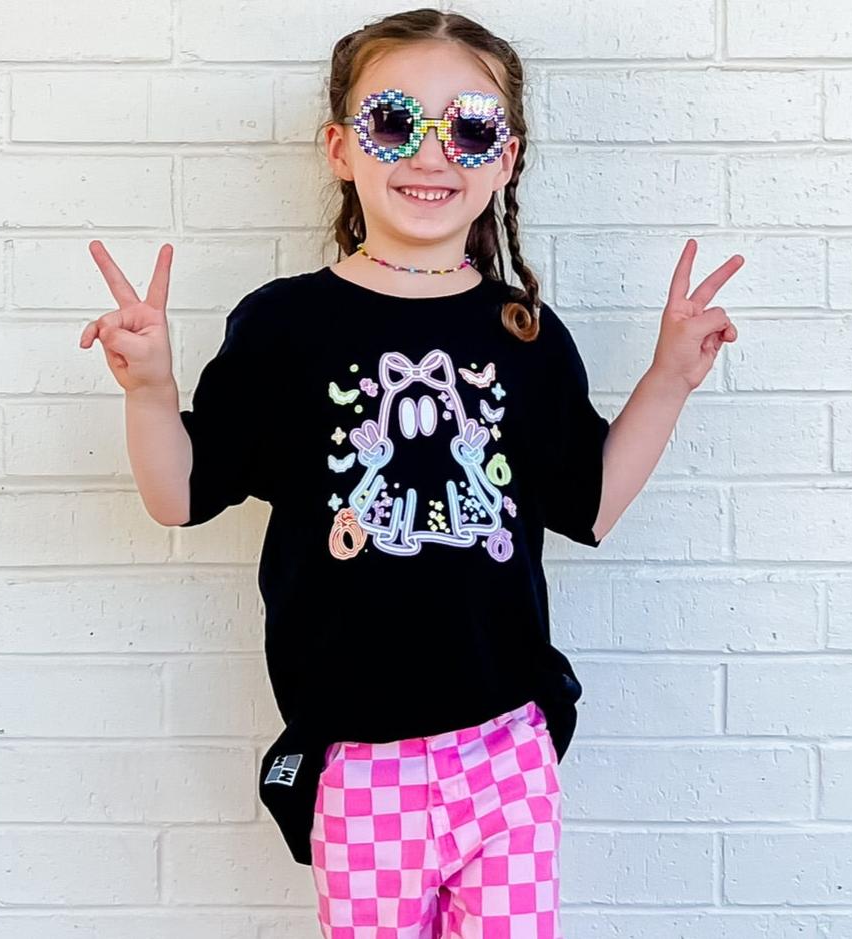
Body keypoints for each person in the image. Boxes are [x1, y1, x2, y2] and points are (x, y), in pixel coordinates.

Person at [78, 8, 744, 937]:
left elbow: (589, 503)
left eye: (470, 128)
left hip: (506, 748)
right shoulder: (285, 326)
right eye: (394, 121)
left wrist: (668, 376)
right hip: (360, 760)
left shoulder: (524, 333)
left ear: (505, 160)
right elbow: (178, 494)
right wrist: (150, 390)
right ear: (340, 148)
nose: (432, 153)